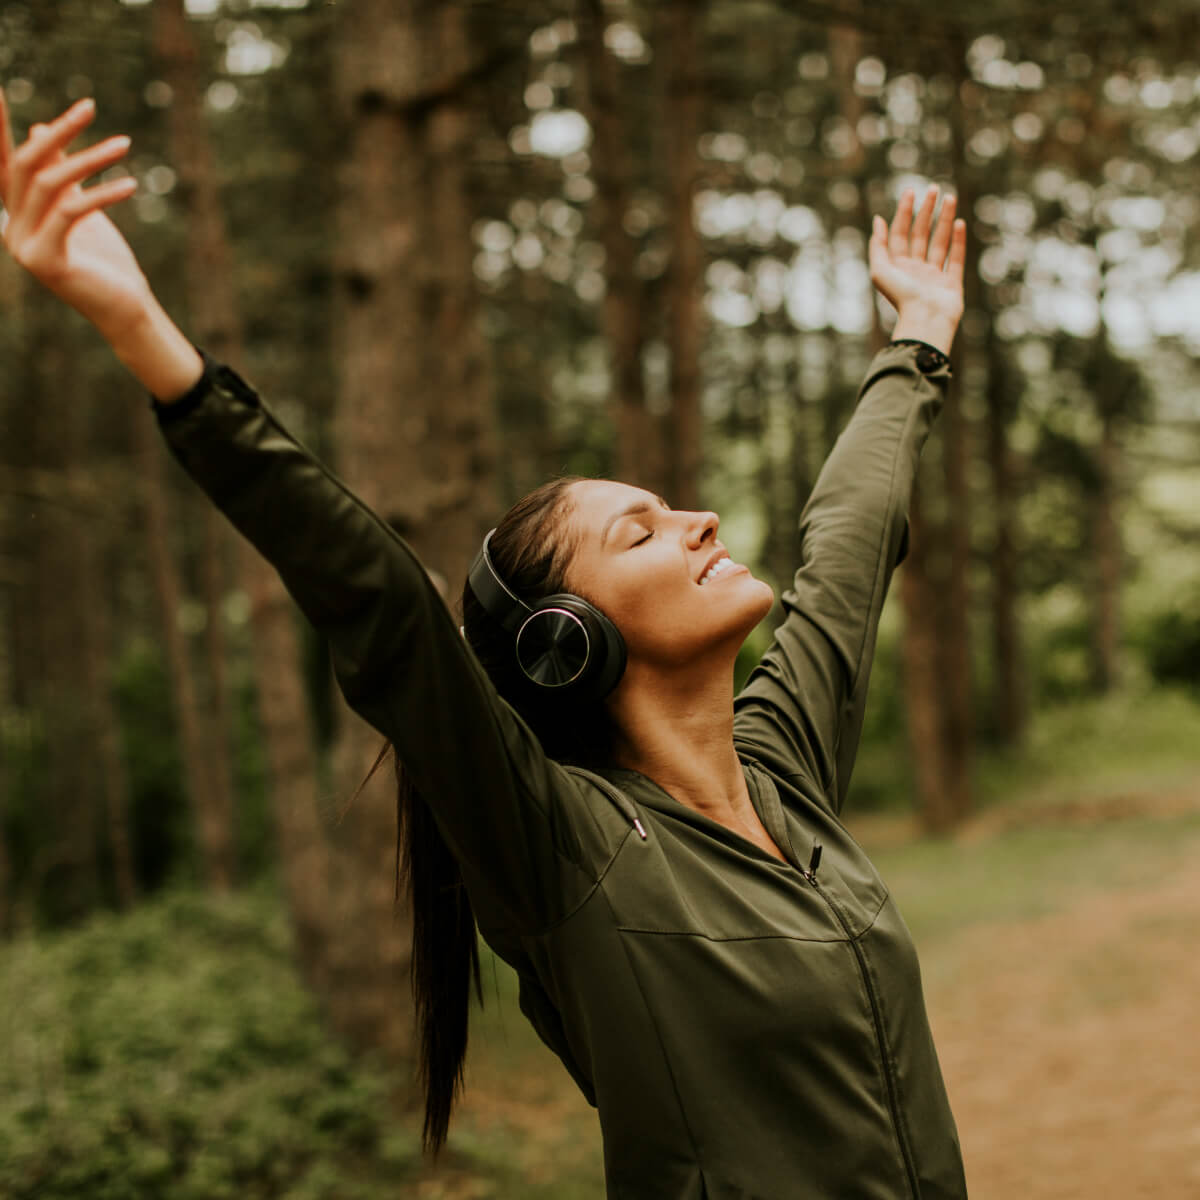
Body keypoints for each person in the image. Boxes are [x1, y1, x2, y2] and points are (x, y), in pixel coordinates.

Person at [1, 93, 969, 1199]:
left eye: (672, 506)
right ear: (568, 639)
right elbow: (384, 606)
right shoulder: (568, 849)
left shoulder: (784, 770)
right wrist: (147, 338)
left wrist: (918, 338)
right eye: (638, 530)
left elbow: (849, 538)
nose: (698, 520)